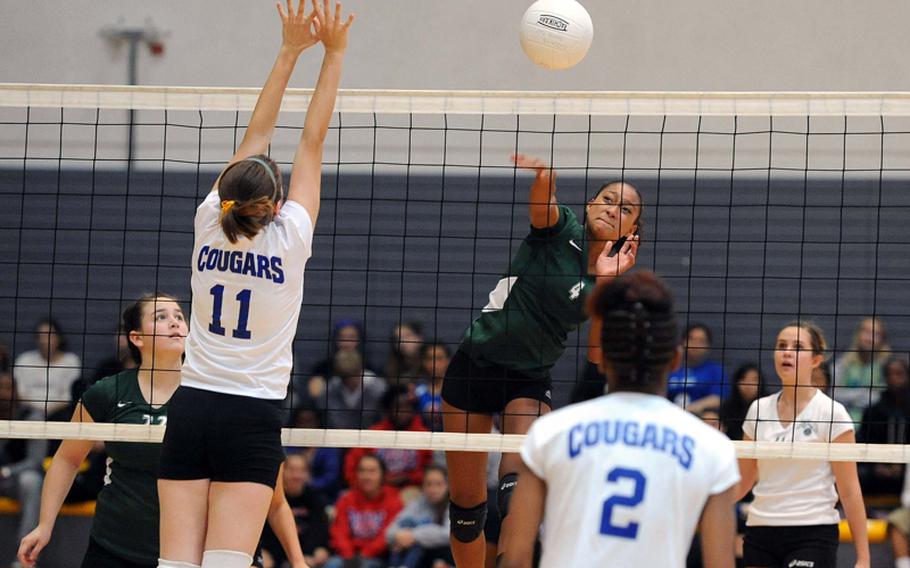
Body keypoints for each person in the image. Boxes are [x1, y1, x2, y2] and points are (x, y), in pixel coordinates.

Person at [155, 3, 353, 567]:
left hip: (191, 408)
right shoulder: (290, 237)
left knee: (174, 564)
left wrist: (288, 49)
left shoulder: (207, 221)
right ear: (278, 204)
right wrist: (333, 54)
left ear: (227, 195)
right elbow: (311, 142)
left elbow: (255, 133)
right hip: (251, 415)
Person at [441, 153, 642, 567]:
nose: (612, 209)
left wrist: (605, 282)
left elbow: (598, 356)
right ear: (589, 204)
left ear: (631, 229)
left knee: (516, 487)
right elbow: (542, 206)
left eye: (625, 209)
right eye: (607, 199)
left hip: (528, 379)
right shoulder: (561, 227)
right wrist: (543, 177)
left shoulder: (612, 277)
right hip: (474, 364)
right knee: (466, 510)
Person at [499, 270, 740, 568]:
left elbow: (517, 560)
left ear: (604, 358)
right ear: (675, 359)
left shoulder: (549, 433)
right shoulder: (713, 448)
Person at [18, 294, 186, 567]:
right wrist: (44, 525)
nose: (175, 323)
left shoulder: (204, 395)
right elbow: (67, 459)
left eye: (179, 316)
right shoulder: (108, 392)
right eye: (161, 317)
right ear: (137, 338)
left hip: (180, 553)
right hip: (112, 547)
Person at [736, 322, 870, 568]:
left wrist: (863, 558)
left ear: (816, 360)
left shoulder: (832, 413)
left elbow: (849, 490)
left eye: (797, 347)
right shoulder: (758, 410)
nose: (787, 352)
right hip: (761, 530)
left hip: (812, 532)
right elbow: (744, 481)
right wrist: (705, 503)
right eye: (781, 346)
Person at [344, 385, 433, 493]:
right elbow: (351, 465)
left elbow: (432, 470)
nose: (402, 412)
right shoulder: (374, 434)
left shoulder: (424, 435)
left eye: (406, 407)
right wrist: (374, 482)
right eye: (398, 408)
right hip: (376, 491)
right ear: (388, 410)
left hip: (412, 490)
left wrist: (410, 478)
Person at [327, 454, 403, 568]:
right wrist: (349, 556)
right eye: (362, 471)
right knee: (332, 565)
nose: (366, 476)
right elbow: (339, 531)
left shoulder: (394, 500)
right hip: (348, 556)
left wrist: (365, 554)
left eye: (372, 471)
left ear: (382, 475)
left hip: (378, 558)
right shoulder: (346, 499)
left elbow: (387, 535)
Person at [258, 454, 331, 568]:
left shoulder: (316, 499)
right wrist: (263, 552)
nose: (296, 475)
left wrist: (321, 550)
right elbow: (263, 532)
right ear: (282, 472)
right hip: (275, 557)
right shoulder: (270, 498)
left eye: (301, 470)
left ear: (308, 474)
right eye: (292, 470)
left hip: (307, 557)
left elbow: (320, 530)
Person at [0, 371, 46, 550]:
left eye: (8, 388)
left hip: (14, 480)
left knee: (32, 480)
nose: (3, 394)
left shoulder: (30, 416)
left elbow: (35, 460)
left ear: (16, 391)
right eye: (0, 389)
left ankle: (25, 553)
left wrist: (6, 471)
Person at [857, 355, 910, 496]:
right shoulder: (872, 412)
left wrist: (903, 468)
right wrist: (876, 467)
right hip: (877, 475)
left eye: (899, 374)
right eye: (890, 374)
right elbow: (861, 446)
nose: (894, 379)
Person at [385, 465, 453, 568]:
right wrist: (399, 535)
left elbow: (449, 534)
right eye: (429, 484)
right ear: (422, 486)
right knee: (401, 540)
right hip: (416, 555)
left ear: (447, 485)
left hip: (445, 556)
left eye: (439, 484)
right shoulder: (417, 504)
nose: (433, 489)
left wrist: (414, 536)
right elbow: (389, 532)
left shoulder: (453, 506)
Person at [13, 317, 82, 417]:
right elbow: (20, 392)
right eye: (40, 336)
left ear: (59, 338)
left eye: (48, 335)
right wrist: (40, 409)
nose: (44, 341)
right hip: (29, 412)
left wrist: (50, 409)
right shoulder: (24, 360)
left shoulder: (71, 361)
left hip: (60, 413)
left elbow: (69, 395)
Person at [834, 316, 892, 422]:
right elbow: (833, 393)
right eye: (866, 332)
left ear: (883, 339)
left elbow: (882, 398)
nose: (870, 338)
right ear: (858, 334)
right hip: (843, 421)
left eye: (876, 334)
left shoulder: (887, 365)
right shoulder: (843, 362)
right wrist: (862, 394)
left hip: (875, 423)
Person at [667, 323, 726, 415]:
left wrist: (694, 407)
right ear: (682, 342)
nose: (695, 344)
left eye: (701, 341)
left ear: (708, 346)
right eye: (691, 339)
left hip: (700, 419)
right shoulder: (670, 368)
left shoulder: (714, 371)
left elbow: (719, 398)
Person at [322, 350, 386, 430]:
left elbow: (383, 420)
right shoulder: (331, 388)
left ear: (360, 370)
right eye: (345, 377)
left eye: (353, 374)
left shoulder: (378, 389)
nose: (350, 381)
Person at [720, 363, 763, 441]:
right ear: (737, 382)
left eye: (754, 379)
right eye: (744, 378)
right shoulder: (727, 407)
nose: (748, 384)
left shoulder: (766, 406)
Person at [414, 342, 451, 432]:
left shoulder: (456, 392)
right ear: (423, 362)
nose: (434, 364)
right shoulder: (416, 392)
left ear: (448, 361)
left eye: (439, 358)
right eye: (429, 359)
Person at [385, 321, 425, 390]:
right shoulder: (392, 368)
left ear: (420, 337)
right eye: (397, 338)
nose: (402, 342)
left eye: (407, 336)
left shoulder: (430, 365)